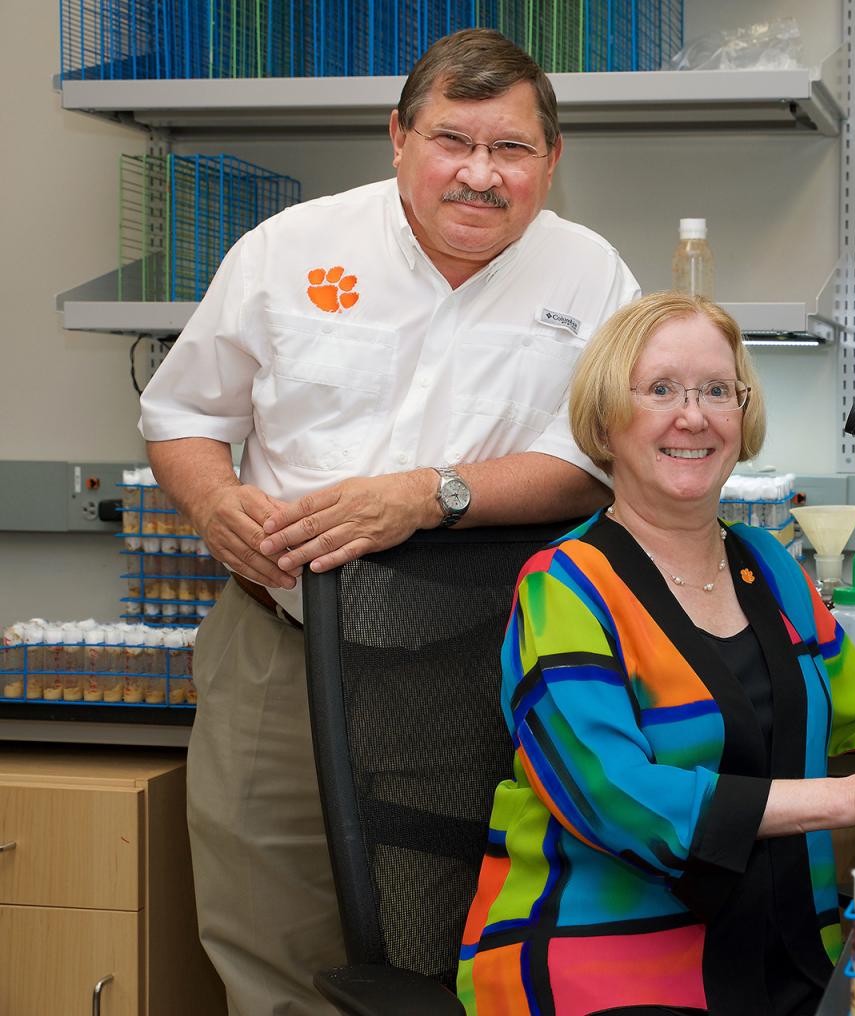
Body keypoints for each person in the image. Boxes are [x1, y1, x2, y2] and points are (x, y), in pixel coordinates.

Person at [138, 29, 640, 1015]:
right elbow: (186, 416)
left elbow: (594, 463)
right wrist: (214, 502)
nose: (480, 175)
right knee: (265, 928)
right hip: (276, 644)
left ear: (551, 160)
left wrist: (432, 492)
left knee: (439, 943)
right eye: (454, 141)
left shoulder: (589, 277)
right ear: (399, 139)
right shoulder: (290, 250)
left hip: (463, 664)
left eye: (511, 150)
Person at [456, 294, 855, 1016]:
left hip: (783, 943)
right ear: (606, 420)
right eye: (660, 390)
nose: (694, 415)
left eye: (717, 390)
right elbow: (616, 800)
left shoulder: (767, 564)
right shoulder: (564, 588)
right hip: (605, 956)